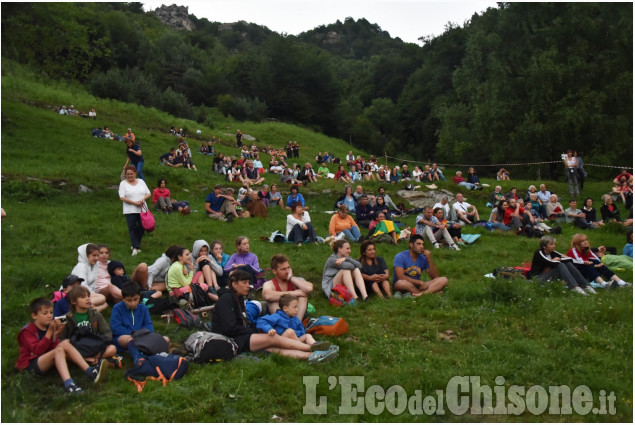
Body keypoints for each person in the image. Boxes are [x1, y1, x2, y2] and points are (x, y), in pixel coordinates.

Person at [213, 271, 338, 362]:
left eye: (248, 282)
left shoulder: (238, 298)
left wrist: (253, 328)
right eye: (244, 283)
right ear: (234, 284)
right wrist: (253, 330)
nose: (248, 286)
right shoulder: (227, 299)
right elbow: (229, 327)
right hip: (232, 340)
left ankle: (311, 356)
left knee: (272, 347)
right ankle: (313, 349)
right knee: (274, 339)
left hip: (242, 336)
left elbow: (243, 322)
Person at [17, 298, 107, 395]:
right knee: (59, 350)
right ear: (34, 315)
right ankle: (69, 384)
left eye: (51, 312)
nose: (49, 316)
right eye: (45, 313)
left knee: (64, 343)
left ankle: (90, 372)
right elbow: (38, 351)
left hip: (47, 358)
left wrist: (57, 335)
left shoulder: (48, 327)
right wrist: (50, 333)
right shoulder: (27, 331)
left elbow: (53, 347)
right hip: (33, 364)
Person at [59, 286, 118, 367]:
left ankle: (91, 360)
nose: (87, 299)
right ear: (73, 301)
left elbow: (107, 332)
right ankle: (92, 361)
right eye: (83, 297)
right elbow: (62, 339)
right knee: (62, 353)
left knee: (112, 349)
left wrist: (100, 341)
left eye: (88, 296)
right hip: (77, 348)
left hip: (93, 346)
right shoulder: (68, 317)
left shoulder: (95, 314)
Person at [110, 281, 169, 351]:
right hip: (126, 337)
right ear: (123, 299)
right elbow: (116, 327)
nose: (132, 303)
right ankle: (140, 355)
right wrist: (134, 334)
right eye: (129, 300)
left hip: (143, 337)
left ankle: (148, 351)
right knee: (130, 340)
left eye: (135, 299)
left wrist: (144, 334)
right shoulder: (117, 308)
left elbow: (148, 324)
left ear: (139, 297)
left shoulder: (143, 308)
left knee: (166, 339)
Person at [256, 294, 328, 351]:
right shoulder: (277, 316)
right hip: (281, 341)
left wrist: (298, 334)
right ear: (285, 308)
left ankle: (316, 345)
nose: (297, 309)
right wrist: (269, 329)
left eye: (297, 307)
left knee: (307, 335)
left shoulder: (295, 319)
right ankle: (308, 349)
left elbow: (301, 331)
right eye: (295, 307)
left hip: (295, 340)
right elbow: (261, 321)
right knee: (290, 332)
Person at [528, 236, 595, 295]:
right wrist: (554, 260)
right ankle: (574, 287)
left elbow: (569, 259)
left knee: (568, 264)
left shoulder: (553, 252)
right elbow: (550, 263)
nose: (554, 246)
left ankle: (585, 285)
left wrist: (558, 259)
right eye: (551, 244)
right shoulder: (539, 253)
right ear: (544, 246)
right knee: (560, 265)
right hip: (538, 278)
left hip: (549, 276)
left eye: (554, 244)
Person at [262, 254, 314, 318]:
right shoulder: (269, 284)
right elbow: (267, 296)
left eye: (288, 268)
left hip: (296, 314)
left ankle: (296, 325)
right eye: (283, 269)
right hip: (278, 316)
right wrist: (294, 293)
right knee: (273, 300)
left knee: (302, 297)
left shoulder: (296, 281)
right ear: (274, 271)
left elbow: (309, 288)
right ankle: (283, 325)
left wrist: (291, 278)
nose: (287, 271)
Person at [119, 166, 150, 255]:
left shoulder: (141, 182)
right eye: (127, 174)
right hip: (130, 210)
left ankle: (136, 244)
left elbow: (148, 193)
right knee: (132, 227)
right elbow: (122, 197)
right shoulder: (123, 184)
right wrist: (134, 203)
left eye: (131, 174)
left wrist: (143, 199)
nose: (129, 175)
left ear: (135, 173)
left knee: (142, 226)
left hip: (142, 209)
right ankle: (135, 247)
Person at [70, 243, 108, 312]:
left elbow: (93, 284)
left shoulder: (94, 266)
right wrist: (92, 295)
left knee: (105, 304)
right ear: (86, 256)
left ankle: (90, 310)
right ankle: (78, 306)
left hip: (86, 293)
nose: (96, 258)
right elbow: (82, 285)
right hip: (76, 293)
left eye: (97, 255)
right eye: (94, 255)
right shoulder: (81, 266)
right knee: (102, 298)